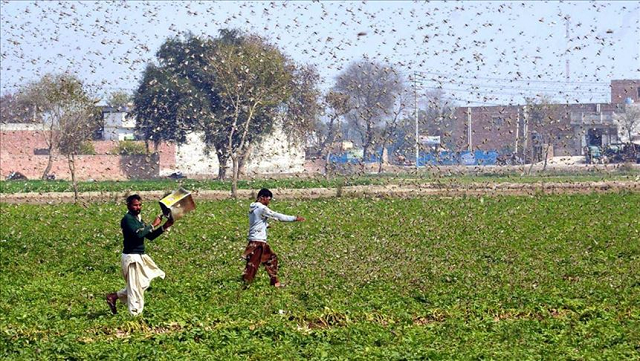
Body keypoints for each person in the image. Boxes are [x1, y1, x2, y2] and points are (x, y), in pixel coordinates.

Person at [106, 194, 174, 315]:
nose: (138, 207)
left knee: (141, 284)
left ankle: (113, 296)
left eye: (139, 205)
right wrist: (153, 225)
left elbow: (149, 236)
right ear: (128, 206)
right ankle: (135, 315)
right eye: (135, 205)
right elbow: (138, 235)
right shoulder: (127, 219)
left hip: (139, 255)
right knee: (135, 289)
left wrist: (164, 226)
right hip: (131, 257)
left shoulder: (138, 220)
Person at [242, 188, 305, 288]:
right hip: (257, 241)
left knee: (272, 258)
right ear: (262, 198)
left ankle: (275, 282)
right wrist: (294, 218)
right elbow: (276, 215)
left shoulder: (253, 208)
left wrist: (265, 225)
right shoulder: (262, 208)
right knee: (252, 265)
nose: (269, 202)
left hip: (258, 240)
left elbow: (256, 222)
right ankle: (244, 286)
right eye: (268, 199)